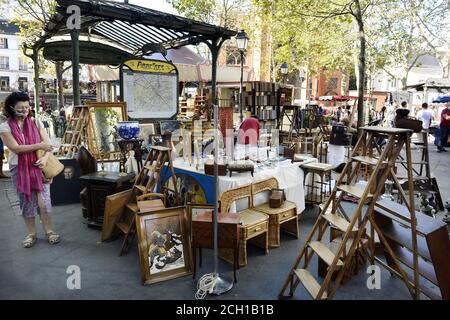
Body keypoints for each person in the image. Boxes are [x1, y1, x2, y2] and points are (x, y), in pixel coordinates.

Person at [0, 92, 60, 248]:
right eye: (20, 107)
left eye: (27, 106)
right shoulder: (5, 127)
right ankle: (31, 234)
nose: (25, 110)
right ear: (11, 107)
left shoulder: (36, 121)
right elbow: (16, 148)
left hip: (39, 165)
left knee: (44, 201)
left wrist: (45, 159)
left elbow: (48, 144)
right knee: (26, 200)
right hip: (19, 168)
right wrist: (39, 146)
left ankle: (49, 231)